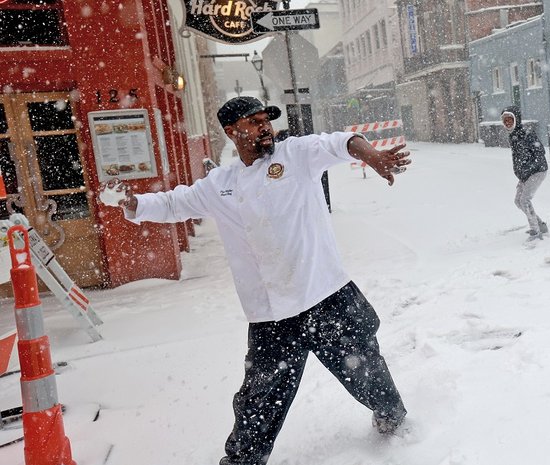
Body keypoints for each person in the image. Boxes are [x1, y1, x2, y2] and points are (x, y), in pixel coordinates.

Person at [106, 96, 411, 465]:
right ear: (232, 132)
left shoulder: (296, 155)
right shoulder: (221, 184)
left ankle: (395, 425)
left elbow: (341, 142)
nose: (265, 126)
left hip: (326, 295)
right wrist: (133, 204)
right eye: (254, 121)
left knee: (366, 371)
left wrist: (371, 156)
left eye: (266, 119)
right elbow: (175, 203)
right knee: (259, 400)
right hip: (271, 314)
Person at [501, 105, 548, 240]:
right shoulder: (513, 136)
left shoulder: (527, 135)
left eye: (510, 119)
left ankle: (535, 231)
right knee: (518, 201)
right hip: (525, 175)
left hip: (537, 171)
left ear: (517, 120)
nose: (508, 123)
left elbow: (540, 153)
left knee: (525, 200)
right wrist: (522, 174)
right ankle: (540, 225)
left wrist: (528, 169)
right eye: (505, 121)